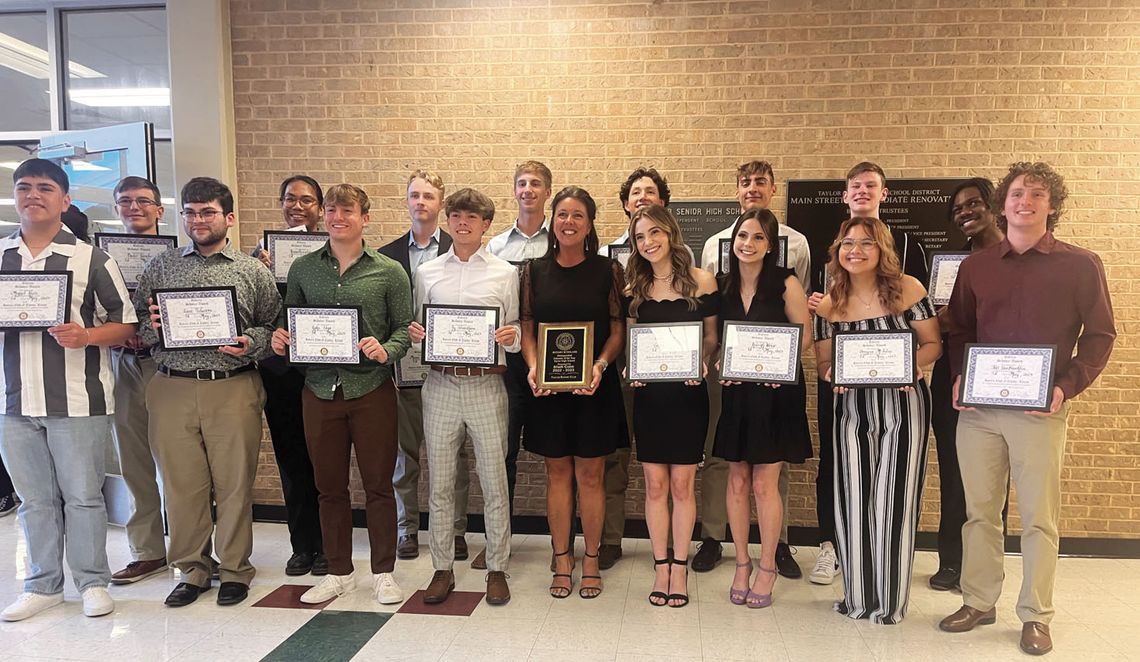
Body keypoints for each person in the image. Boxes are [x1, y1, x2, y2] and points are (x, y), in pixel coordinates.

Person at [940, 163, 1115, 656]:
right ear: (1003, 203)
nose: (1025, 202)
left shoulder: (1081, 265)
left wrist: (1067, 386)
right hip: (978, 411)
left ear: (1051, 205)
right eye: (1017, 193)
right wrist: (959, 375)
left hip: (1041, 411)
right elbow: (960, 329)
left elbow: (1100, 335)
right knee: (979, 512)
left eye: (1036, 194)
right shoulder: (976, 267)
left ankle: (1036, 615)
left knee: (1039, 517)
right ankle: (978, 600)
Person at [0, 159, 136, 622]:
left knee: (83, 496)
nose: (32, 195)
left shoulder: (92, 259)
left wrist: (86, 336)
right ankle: (42, 585)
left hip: (79, 400)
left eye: (44, 188)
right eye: (24, 188)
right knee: (33, 499)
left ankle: (93, 581)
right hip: (12, 402)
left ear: (65, 199)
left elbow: (126, 324)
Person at [136, 177, 281, 609]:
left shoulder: (251, 270)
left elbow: (272, 326)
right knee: (182, 487)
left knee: (235, 483)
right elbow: (140, 329)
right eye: (191, 212)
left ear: (229, 218)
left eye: (208, 212)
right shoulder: (161, 267)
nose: (198, 220)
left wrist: (249, 343)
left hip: (231, 387)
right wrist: (153, 328)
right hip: (172, 386)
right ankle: (192, 569)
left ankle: (235, 569)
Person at [271, 184, 412, 607]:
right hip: (318, 390)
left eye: (347, 210)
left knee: (378, 486)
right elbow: (290, 323)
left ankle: (384, 572)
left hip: (371, 389)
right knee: (328, 488)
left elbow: (405, 328)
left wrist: (386, 349)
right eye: (331, 209)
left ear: (364, 218)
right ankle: (338, 572)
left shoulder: (389, 271)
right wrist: (282, 338)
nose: (337, 217)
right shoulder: (302, 270)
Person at [806, 161, 931, 587]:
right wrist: (831, 374)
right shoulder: (829, 299)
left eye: (865, 244)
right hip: (850, 402)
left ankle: (889, 585)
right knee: (850, 489)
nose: (855, 250)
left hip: (901, 403)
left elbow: (932, 342)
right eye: (848, 243)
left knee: (893, 495)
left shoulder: (909, 283)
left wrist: (909, 367)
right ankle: (848, 574)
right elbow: (823, 361)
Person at [698, 160, 811, 578]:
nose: (748, 243)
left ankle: (767, 564)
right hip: (735, 390)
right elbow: (713, 337)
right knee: (734, 479)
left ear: (770, 243)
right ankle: (741, 562)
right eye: (742, 236)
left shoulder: (787, 282)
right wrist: (715, 360)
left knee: (765, 481)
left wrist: (777, 368)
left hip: (776, 391)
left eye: (757, 237)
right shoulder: (721, 283)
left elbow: (801, 335)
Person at [407, 188, 519, 606]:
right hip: (440, 385)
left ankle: (497, 568)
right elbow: (419, 324)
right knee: (440, 484)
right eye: (456, 216)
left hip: (487, 385)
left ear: (486, 224)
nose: (463, 224)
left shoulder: (505, 273)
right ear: (447, 220)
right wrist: (418, 335)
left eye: (472, 218)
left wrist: (512, 336)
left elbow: (515, 329)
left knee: (493, 482)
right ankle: (441, 569)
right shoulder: (428, 272)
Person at [521, 186, 627, 599]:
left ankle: (593, 558)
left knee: (592, 474)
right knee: (558, 473)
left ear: (589, 224)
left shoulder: (607, 271)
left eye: (578, 215)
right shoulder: (533, 271)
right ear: (553, 220)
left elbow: (618, 330)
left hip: (593, 388)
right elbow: (528, 326)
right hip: (548, 391)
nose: (569, 222)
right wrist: (533, 366)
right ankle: (562, 557)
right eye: (562, 214)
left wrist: (600, 365)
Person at [624, 205, 719, 608]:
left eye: (654, 233)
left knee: (682, 485)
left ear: (670, 232)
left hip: (687, 394)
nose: (648, 242)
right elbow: (632, 341)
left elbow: (712, 338)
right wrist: (632, 365)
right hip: (649, 398)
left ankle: (679, 566)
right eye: (640, 237)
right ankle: (660, 565)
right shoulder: (634, 288)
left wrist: (702, 357)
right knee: (654, 486)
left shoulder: (702, 281)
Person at [380, 170, 472, 562]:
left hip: (447, 372)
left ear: (441, 203)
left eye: (429, 196)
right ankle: (407, 529)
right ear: (407, 201)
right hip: (402, 372)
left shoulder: (463, 248)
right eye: (414, 195)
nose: (421, 202)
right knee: (405, 456)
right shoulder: (384, 256)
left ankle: (455, 529)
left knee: (454, 457)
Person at [926, 177, 1004, 592]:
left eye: (973, 204)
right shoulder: (950, 265)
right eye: (957, 209)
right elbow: (938, 318)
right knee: (954, 469)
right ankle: (951, 560)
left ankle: (984, 566)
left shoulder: (1018, 258)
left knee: (993, 475)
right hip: (952, 375)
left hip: (1002, 376)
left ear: (994, 206)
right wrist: (939, 317)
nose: (965, 213)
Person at [594, 166, 672, 570]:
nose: (642, 197)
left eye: (650, 191)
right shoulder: (607, 255)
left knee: (671, 458)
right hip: (619, 370)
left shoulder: (680, 256)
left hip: (669, 372)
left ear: (662, 201)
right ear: (625, 203)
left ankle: (673, 541)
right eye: (635, 192)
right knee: (616, 456)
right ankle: (611, 538)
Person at [481, 160, 553, 571]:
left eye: (536, 184)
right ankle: (498, 541)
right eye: (522, 183)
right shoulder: (494, 248)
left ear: (547, 192)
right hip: (508, 367)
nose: (528, 189)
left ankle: (563, 541)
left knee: (558, 453)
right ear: (514, 191)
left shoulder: (558, 242)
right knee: (501, 452)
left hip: (554, 362)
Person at [255, 175, 326, 577]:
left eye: (307, 200)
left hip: (321, 368)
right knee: (291, 459)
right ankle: (303, 545)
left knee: (325, 460)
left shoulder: (333, 254)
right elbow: (255, 314)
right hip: (281, 373)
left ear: (319, 207)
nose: (297, 206)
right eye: (290, 199)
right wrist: (263, 271)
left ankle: (329, 544)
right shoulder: (259, 257)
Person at [106, 176, 172, 585]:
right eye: (126, 201)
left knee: (181, 463)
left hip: (165, 364)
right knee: (134, 462)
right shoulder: (99, 258)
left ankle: (192, 550)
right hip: (122, 361)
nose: (135, 208)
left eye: (143, 201)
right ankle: (148, 551)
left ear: (159, 211)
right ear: (116, 209)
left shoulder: (177, 257)